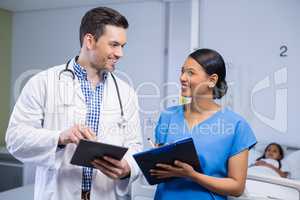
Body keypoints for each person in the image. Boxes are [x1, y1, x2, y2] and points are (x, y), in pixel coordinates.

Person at [5, 7, 142, 200]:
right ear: (90, 41)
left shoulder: (125, 92)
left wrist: (128, 168)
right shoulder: (43, 82)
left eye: (122, 46)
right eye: (113, 45)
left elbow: (135, 145)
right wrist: (60, 138)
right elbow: (15, 139)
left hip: (105, 194)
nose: (120, 53)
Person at [150, 49, 257, 200]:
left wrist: (192, 175)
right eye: (182, 71)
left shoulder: (236, 126)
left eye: (191, 73)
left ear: (212, 80)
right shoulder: (168, 116)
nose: (182, 78)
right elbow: (158, 168)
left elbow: (237, 187)